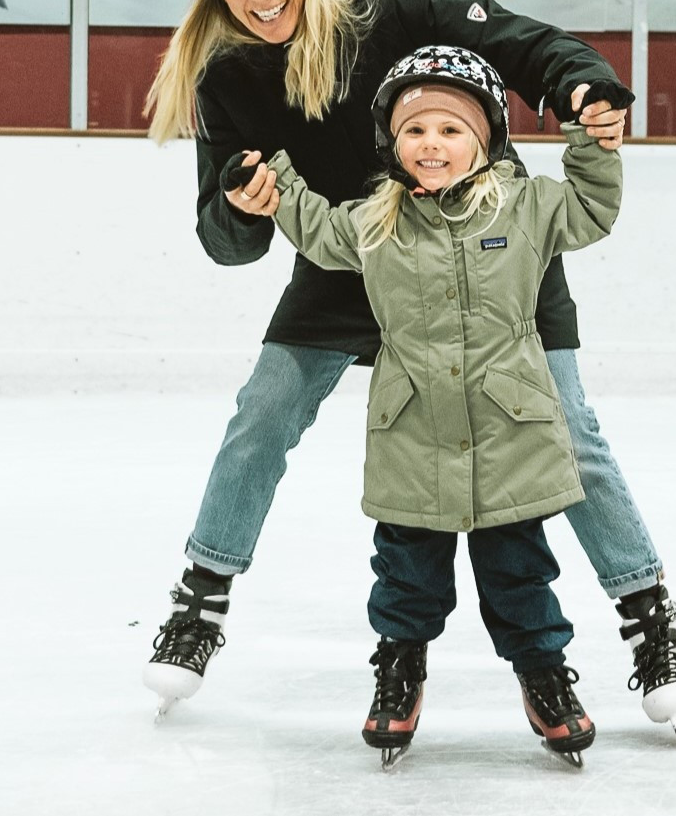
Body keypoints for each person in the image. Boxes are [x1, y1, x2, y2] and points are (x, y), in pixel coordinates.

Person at [138, 0, 676, 742]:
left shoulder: (395, 2)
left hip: (487, 244)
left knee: (566, 425)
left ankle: (650, 620)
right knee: (265, 407)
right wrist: (241, 210)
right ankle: (198, 600)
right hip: (348, 255)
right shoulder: (230, 74)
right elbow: (225, 234)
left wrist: (580, 83)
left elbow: (521, 40)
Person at [247, 44, 617, 766]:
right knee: (405, 574)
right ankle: (400, 665)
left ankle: (542, 672)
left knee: (521, 572)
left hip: (510, 428)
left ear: (485, 138)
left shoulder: (528, 203)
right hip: (411, 427)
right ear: (392, 142)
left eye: (451, 129)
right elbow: (318, 231)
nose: (431, 144)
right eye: (415, 130)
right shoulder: (375, 219)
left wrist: (589, 138)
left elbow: (592, 208)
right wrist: (276, 179)